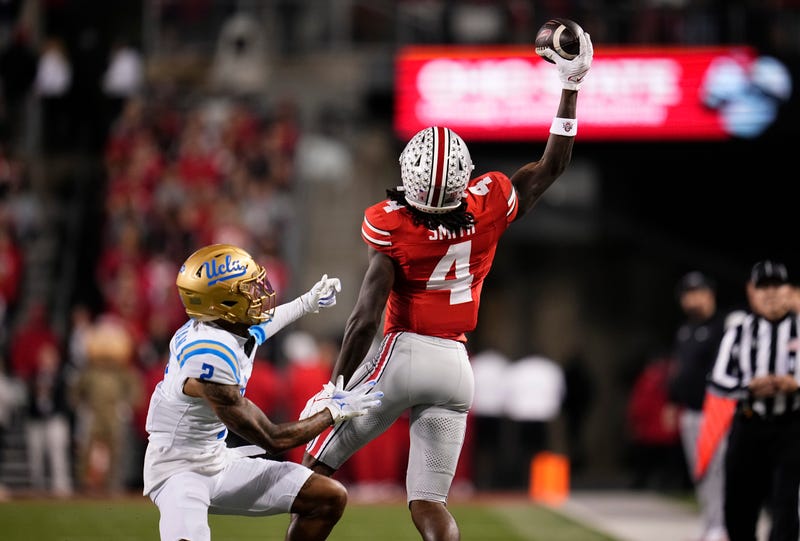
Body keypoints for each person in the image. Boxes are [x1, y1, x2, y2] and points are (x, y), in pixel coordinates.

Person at [296, 33, 594, 541]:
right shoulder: (487, 205)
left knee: (314, 469)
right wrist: (569, 87)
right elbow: (552, 167)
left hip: (402, 352)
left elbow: (365, 316)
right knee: (428, 501)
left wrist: (337, 385)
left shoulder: (393, 224)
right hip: (456, 366)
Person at [142, 243, 383, 541]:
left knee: (328, 497)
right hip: (179, 470)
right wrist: (333, 411)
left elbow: (262, 328)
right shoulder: (208, 355)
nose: (260, 293)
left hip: (217, 459)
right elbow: (272, 438)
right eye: (247, 289)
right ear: (224, 305)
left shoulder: (226, 327)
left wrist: (306, 302)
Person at [707, 260, 800, 541]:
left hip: (791, 426)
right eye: (763, 287)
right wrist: (749, 388)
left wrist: (795, 385)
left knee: (786, 504)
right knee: (738, 503)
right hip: (749, 422)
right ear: (752, 292)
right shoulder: (738, 331)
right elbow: (717, 379)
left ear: (789, 291)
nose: (770, 293)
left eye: (777, 286)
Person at [667, 271, 728, 541]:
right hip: (689, 411)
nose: (694, 300)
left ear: (710, 294)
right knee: (701, 470)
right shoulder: (685, 330)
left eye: (699, 293)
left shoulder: (723, 326)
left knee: (718, 469)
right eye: (689, 295)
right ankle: (712, 522)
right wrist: (671, 401)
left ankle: (721, 524)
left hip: (715, 410)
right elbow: (679, 369)